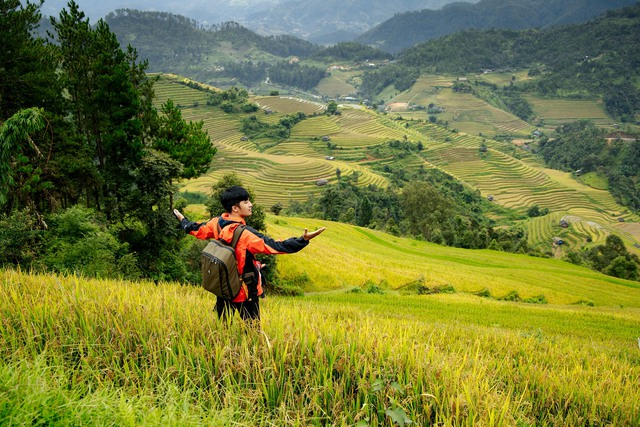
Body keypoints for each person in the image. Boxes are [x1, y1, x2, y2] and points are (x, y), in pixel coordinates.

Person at [173, 185, 325, 323]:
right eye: (246, 201)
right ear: (235, 208)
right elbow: (276, 246)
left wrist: (183, 221)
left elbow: (197, 230)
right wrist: (302, 240)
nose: (251, 204)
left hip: (223, 287)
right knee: (252, 332)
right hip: (245, 291)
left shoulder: (216, 223)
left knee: (221, 330)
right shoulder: (246, 234)